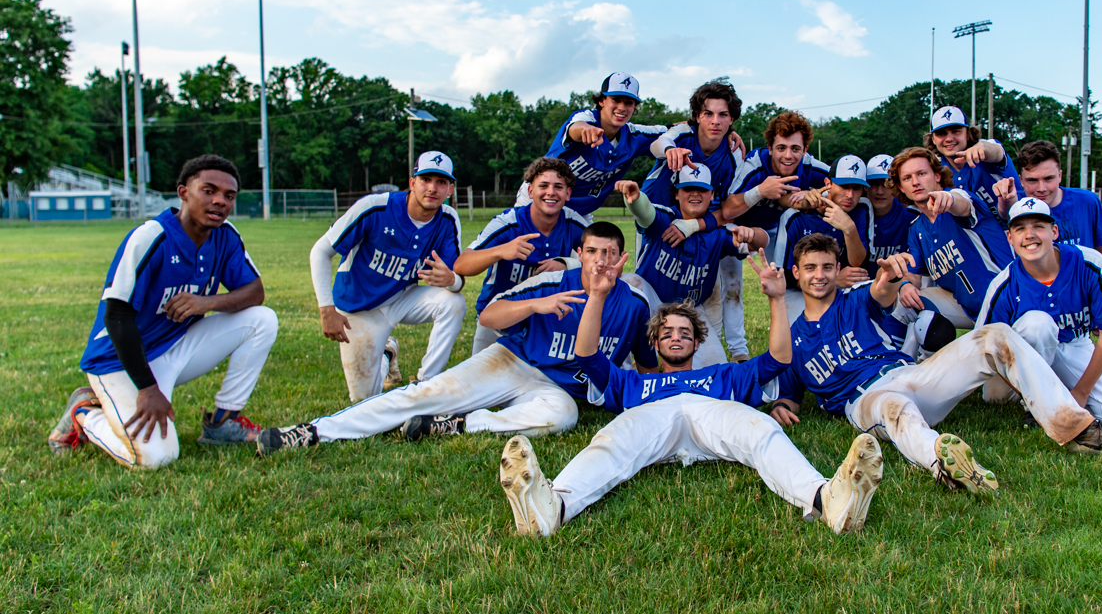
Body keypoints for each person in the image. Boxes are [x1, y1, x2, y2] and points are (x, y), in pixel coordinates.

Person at [497, 248, 884, 537]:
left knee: (761, 430)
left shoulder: (724, 375)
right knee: (610, 441)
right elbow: (586, 355)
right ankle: (553, 507)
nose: (676, 337)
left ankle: (827, 500)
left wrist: (778, 299)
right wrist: (597, 295)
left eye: (685, 332)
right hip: (651, 412)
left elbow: (781, 357)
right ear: (656, 343)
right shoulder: (633, 382)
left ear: (698, 343)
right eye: (667, 333)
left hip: (712, 410)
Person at [771, 235, 1102, 481]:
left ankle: (1077, 428)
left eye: (826, 267)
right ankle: (944, 461)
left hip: (910, 373)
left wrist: (891, 273)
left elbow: (881, 292)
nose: (819, 275)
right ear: (796, 273)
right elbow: (787, 390)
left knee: (995, 335)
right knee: (893, 406)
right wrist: (782, 407)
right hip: (864, 401)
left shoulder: (853, 300)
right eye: (810, 268)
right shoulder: (791, 340)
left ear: (838, 270)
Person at [257, 223, 655, 453]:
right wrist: (537, 306)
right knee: (424, 393)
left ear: (623, 258)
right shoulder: (554, 281)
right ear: (580, 254)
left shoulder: (635, 303)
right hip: (515, 362)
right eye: (593, 251)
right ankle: (314, 431)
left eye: (611, 252)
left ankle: (459, 425)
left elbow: (645, 363)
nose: (602, 261)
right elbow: (490, 314)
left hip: (560, 389)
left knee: (563, 417)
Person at [49, 155, 277, 468]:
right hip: (118, 361)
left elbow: (256, 292)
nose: (220, 201)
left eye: (229, 195)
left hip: (173, 349)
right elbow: (116, 316)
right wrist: (147, 388)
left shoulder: (225, 236)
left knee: (262, 320)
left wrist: (206, 302)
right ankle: (84, 414)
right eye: (208, 190)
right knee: (157, 458)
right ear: (183, 192)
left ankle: (222, 423)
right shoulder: (151, 237)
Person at [310, 151, 465, 402]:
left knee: (453, 303)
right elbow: (320, 251)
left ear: (450, 189)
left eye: (442, 182)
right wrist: (326, 309)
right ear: (412, 182)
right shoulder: (375, 207)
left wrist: (453, 281)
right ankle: (385, 354)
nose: (433, 188)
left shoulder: (447, 218)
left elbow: (454, 279)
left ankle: (426, 386)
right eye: (426, 179)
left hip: (403, 297)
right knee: (363, 401)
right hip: (359, 307)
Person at [977, 197, 1102, 430]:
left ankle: (1058, 394)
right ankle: (1035, 404)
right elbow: (985, 347)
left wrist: (1081, 392)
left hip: (1074, 345)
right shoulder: (1003, 284)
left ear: (1054, 231)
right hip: (1021, 360)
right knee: (1036, 325)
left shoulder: (1089, 262)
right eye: (1020, 228)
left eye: (1039, 226)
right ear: (1010, 238)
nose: (1030, 234)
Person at [615, 166, 768, 367]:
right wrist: (635, 199)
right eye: (688, 188)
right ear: (676, 193)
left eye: (702, 189)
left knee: (716, 369)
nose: (695, 193)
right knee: (629, 283)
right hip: (652, 303)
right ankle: (622, 371)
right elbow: (645, 212)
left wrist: (752, 234)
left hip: (689, 312)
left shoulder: (717, 234)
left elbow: (761, 241)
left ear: (712, 194)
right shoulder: (665, 219)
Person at [644, 80, 749, 361]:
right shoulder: (684, 134)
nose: (715, 121)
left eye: (723, 115)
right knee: (653, 279)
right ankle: (643, 350)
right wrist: (669, 150)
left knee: (726, 276)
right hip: (660, 214)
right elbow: (659, 143)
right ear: (697, 115)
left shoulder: (733, 151)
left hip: (703, 217)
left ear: (732, 119)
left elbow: (730, 207)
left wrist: (697, 225)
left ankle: (735, 350)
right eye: (708, 113)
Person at [457, 157, 589, 357]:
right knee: (479, 381)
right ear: (530, 191)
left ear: (568, 193)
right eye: (543, 185)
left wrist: (567, 263)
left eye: (558, 187)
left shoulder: (573, 223)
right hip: (499, 314)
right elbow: (462, 264)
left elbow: (608, 263)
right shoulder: (509, 222)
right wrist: (501, 251)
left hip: (547, 317)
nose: (551, 192)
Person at [889, 146, 1011, 331]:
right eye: (907, 178)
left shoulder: (961, 196)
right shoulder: (916, 228)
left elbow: (961, 203)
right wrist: (905, 285)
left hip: (1005, 299)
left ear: (937, 175)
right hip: (966, 308)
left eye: (921, 173)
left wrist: (949, 199)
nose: (915, 182)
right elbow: (914, 274)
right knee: (906, 303)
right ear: (901, 187)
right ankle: (901, 359)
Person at [522, 72, 668, 216]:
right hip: (539, 198)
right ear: (602, 101)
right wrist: (585, 130)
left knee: (596, 240)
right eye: (616, 100)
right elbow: (576, 127)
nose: (622, 107)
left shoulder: (634, 135)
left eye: (628, 102)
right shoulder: (586, 118)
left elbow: (676, 130)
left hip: (578, 212)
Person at [771, 154, 873, 321]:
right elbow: (784, 277)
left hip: (841, 287)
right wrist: (832, 280)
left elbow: (858, 263)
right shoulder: (795, 216)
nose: (850, 194)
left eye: (857, 188)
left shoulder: (861, 207)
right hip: (800, 289)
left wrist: (849, 228)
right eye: (844, 186)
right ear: (828, 184)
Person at [992, 140, 1102, 267]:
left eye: (1048, 178)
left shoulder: (1087, 201)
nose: (1041, 188)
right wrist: (1005, 197)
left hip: (1081, 284)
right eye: (1032, 180)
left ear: (1059, 176)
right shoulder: (1017, 204)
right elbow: (1005, 213)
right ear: (1020, 180)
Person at [721, 109, 831, 234]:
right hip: (741, 229)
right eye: (781, 148)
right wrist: (760, 192)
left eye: (795, 149)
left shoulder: (807, 164)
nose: (788, 155)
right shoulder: (754, 166)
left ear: (804, 150)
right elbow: (727, 210)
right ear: (770, 148)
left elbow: (842, 182)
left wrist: (815, 194)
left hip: (776, 228)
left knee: (794, 214)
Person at [925, 105, 1021, 221]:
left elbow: (995, 151)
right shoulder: (936, 168)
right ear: (933, 139)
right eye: (941, 134)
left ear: (968, 133)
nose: (949, 138)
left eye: (956, 131)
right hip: (979, 236)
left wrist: (981, 148)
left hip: (1016, 227)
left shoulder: (986, 149)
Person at [862, 153, 918, 275]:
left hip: (898, 285)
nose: (880, 191)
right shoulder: (854, 212)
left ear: (897, 186)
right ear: (865, 186)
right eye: (874, 183)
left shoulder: (911, 215)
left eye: (887, 184)